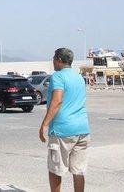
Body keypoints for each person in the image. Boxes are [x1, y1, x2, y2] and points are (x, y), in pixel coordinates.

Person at [39, 48, 90, 192]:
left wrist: (44, 124)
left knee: (55, 169)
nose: (53, 60)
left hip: (63, 130)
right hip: (82, 129)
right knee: (78, 170)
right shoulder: (79, 77)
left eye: (54, 58)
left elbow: (57, 101)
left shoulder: (58, 77)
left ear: (59, 60)